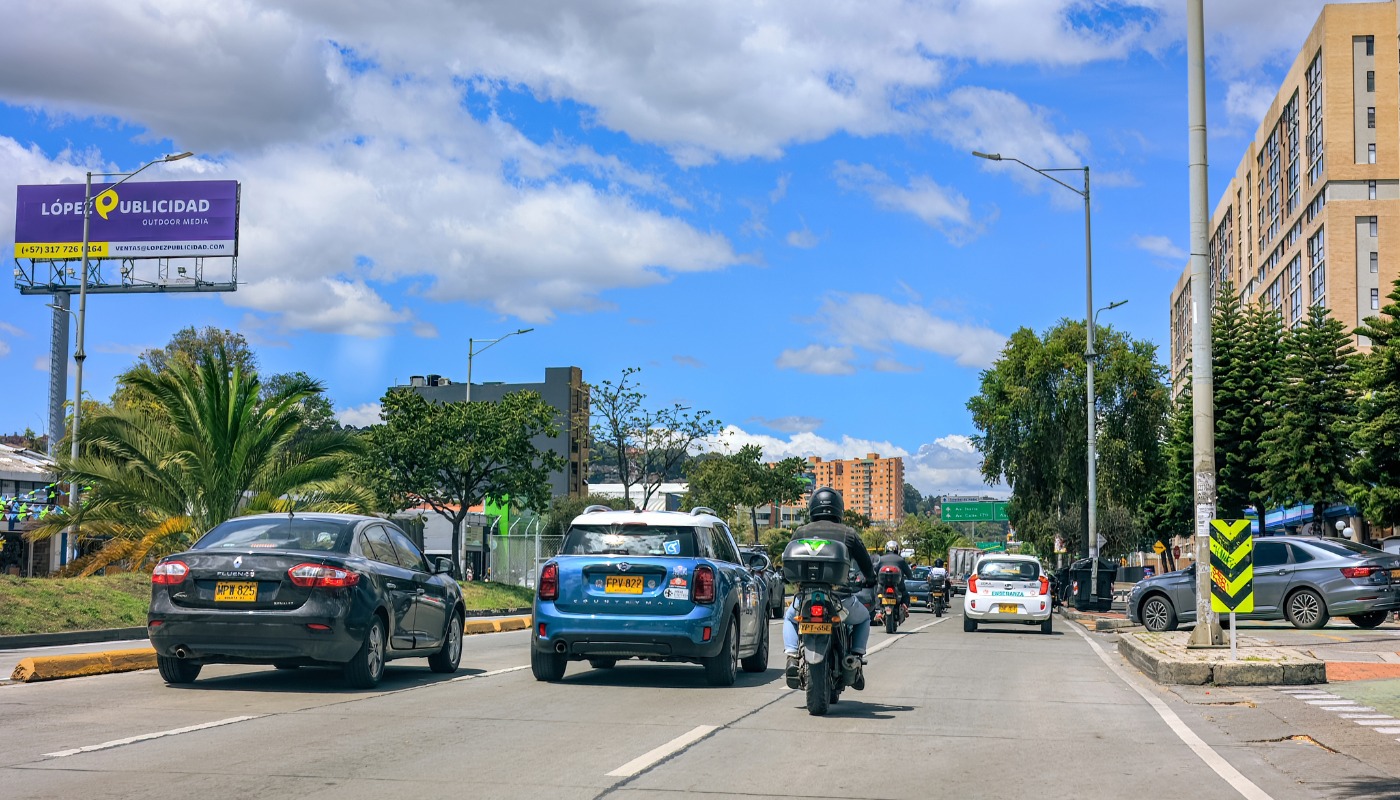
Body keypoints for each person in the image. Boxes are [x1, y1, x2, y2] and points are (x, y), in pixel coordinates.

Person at [784, 487, 876, 683]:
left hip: (805, 598)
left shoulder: (801, 531)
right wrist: (870, 578)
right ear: (838, 509)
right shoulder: (848, 534)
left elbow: (789, 561)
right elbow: (866, 563)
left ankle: (792, 657)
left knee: (790, 617)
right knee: (863, 619)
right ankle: (856, 658)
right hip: (840, 599)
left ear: (813, 508)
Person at [874, 541, 913, 606]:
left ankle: (878, 610)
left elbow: (874, 571)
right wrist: (910, 577)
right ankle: (904, 606)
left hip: (882, 585)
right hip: (898, 585)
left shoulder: (881, 559)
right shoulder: (901, 560)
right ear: (897, 549)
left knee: (877, 594)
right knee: (905, 595)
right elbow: (909, 574)